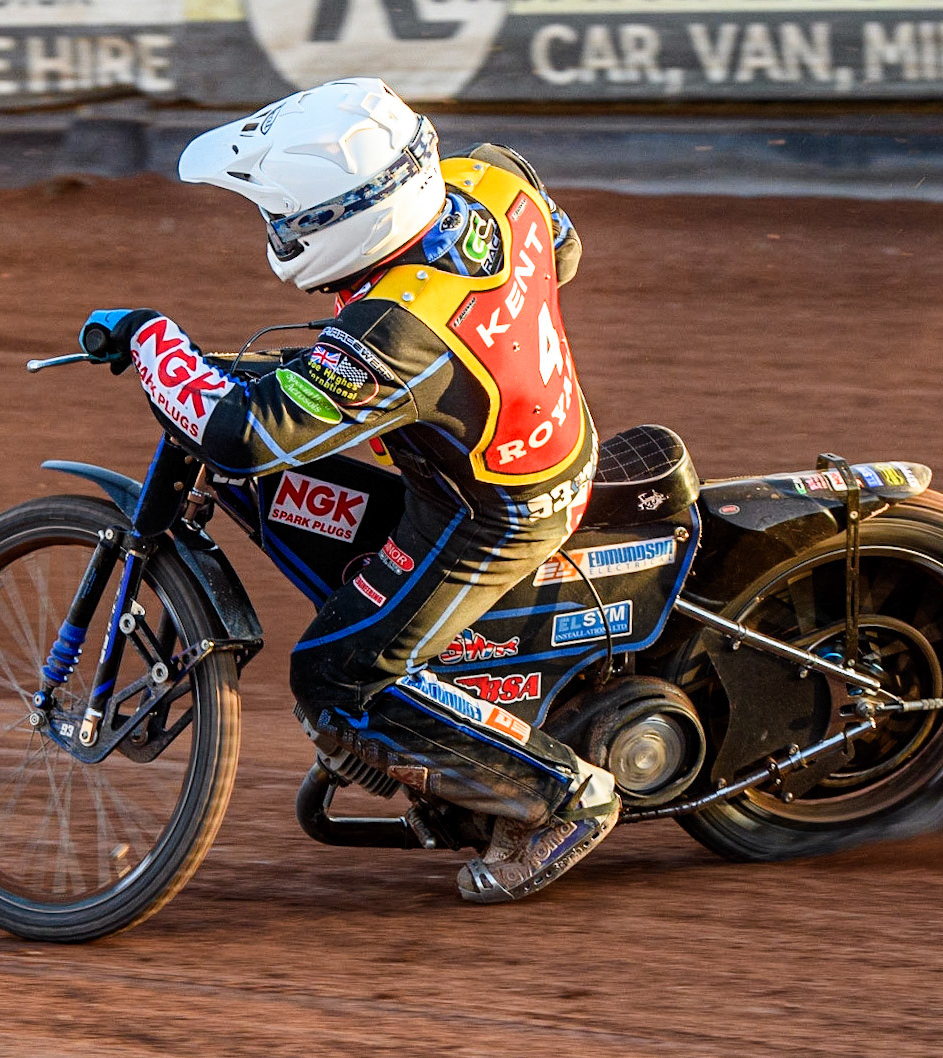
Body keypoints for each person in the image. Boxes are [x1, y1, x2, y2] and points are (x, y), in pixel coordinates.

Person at [81, 78, 617, 903]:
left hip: (488, 511)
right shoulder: (490, 180)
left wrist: (154, 340)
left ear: (344, 220)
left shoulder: (395, 334)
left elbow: (238, 433)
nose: (275, 232)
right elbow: (566, 249)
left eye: (286, 218)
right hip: (527, 434)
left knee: (333, 674)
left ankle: (563, 799)